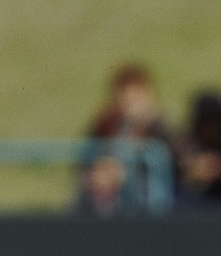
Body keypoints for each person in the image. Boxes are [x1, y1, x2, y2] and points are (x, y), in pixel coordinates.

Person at [76, 63, 180, 213]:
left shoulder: (160, 128)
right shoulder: (104, 125)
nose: (128, 101)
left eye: (135, 94)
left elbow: (176, 157)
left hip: (149, 206)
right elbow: (85, 163)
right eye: (123, 93)